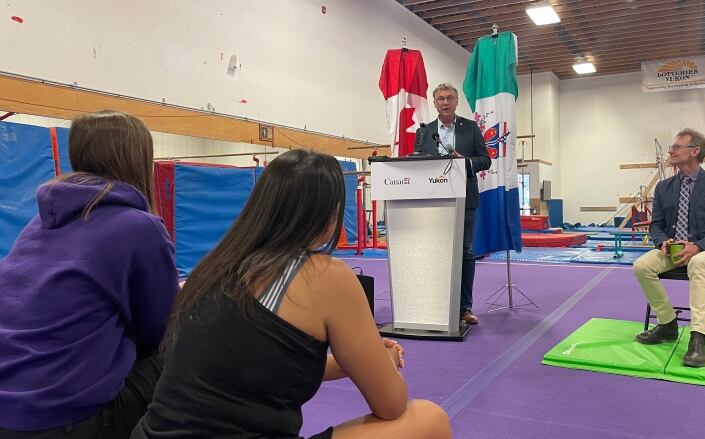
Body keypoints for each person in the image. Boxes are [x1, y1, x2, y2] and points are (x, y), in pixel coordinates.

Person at [132, 149, 451, 439]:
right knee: (429, 419)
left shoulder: (213, 268)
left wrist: (354, 360)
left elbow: (259, 364)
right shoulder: (326, 275)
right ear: (329, 216)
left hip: (149, 433)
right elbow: (391, 404)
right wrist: (379, 361)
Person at [0, 110, 179, 437]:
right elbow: (163, 329)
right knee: (180, 344)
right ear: (138, 160)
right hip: (61, 416)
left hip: (9, 406)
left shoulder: (39, 222)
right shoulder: (139, 227)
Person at [633, 128, 705, 368]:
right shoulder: (664, 187)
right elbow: (656, 225)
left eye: (677, 147)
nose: (671, 150)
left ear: (695, 151)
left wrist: (698, 247)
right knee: (641, 266)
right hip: (674, 249)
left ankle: (698, 337)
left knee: (699, 263)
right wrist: (662, 242)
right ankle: (668, 324)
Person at [413, 83, 491, 325]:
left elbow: (485, 160)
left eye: (449, 98)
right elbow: (415, 162)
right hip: (432, 200)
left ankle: (464, 308)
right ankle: (434, 305)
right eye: (440, 99)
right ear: (434, 103)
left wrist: (464, 162)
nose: (445, 102)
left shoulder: (471, 127)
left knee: (465, 252)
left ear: (456, 101)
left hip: (464, 200)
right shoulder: (424, 132)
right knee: (434, 252)